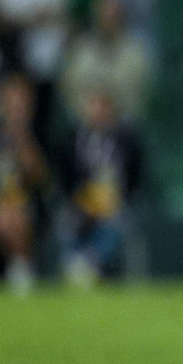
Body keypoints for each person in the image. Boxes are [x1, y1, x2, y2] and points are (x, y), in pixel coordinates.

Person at [57, 90, 145, 286]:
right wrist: (82, 200)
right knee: (68, 223)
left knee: (116, 224)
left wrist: (116, 199)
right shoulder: (74, 138)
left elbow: (135, 177)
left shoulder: (127, 139)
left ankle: (87, 264)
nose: (98, 113)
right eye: (94, 107)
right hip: (82, 203)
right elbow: (67, 177)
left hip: (116, 205)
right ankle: (73, 262)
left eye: (103, 108)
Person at [0, 74, 51, 294]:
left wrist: (21, 137)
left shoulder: (39, 133)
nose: (17, 106)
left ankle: (20, 269)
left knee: (13, 216)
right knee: (5, 214)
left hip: (28, 202)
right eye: (12, 100)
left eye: (21, 100)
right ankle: (21, 269)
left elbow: (40, 178)